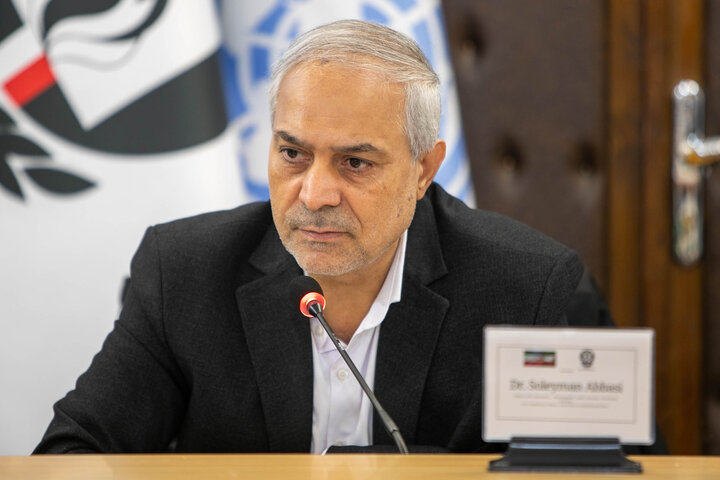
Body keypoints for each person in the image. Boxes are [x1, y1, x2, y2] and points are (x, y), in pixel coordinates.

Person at [35, 20, 584, 454]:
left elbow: (571, 471)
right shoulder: (184, 271)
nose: (315, 194)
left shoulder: (522, 288)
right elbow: (74, 451)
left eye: (355, 163)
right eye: (293, 153)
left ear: (423, 170)